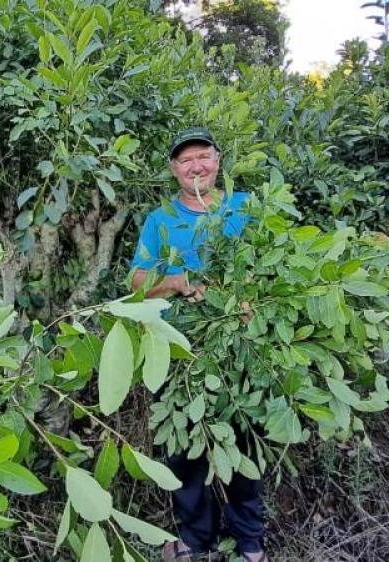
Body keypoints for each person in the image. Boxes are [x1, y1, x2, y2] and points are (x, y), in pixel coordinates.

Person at [130, 127, 267, 562]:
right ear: (174, 170)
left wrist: (252, 297)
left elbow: (278, 262)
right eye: (186, 161)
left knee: (245, 441)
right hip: (182, 354)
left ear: (218, 161)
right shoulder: (160, 219)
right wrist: (175, 282)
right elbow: (136, 282)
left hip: (240, 348)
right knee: (184, 452)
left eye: (203, 157)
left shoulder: (246, 208)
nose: (196, 167)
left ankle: (250, 542)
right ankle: (195, 538)